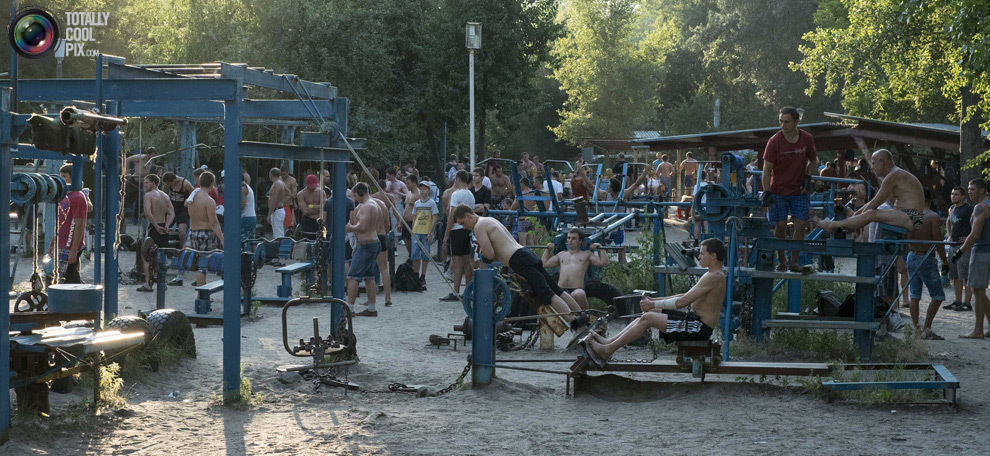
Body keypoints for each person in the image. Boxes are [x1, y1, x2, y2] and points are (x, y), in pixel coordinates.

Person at [585, 238, 726, 362]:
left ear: (713, 256)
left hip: (699, 328)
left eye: (702, 254)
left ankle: (607, 350)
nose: (699, 257)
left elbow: (682, 302)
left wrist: (652, 303)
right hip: (694, 322)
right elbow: (684, 295)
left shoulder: (714, 277)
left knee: (649, 318)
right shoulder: (711, 274)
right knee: (652, 311)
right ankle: (609, 342)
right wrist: (654, 301)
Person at [452, 204, 585, 327]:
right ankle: (583, 317)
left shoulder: (478, 227)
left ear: (468, 215)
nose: (464, 227)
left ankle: (576, 324)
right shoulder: (488, 220)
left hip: (519, 259)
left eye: (463, 223)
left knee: (547, 295)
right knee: (557, 290)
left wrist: (483, 257)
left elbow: (490, 254)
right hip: (525, 253)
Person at [762, 106, 819, 272]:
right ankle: (782, 261)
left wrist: (807, 178)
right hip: (778, 190)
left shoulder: (806, 138)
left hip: (799, 190)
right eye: (781, 121)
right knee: (780, 225)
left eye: (786, 122)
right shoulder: (774, 141)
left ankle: (794, 262)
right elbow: (766, 169)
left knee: (800, 224)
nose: (783, 125)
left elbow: (814, 160)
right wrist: (766, 192)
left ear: (796, 122)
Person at [814, 149, 925, 235]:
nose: (872, 167)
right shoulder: (895, 174)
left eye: (873, 163)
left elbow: (875, 203)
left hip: (913, 218)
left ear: (882, 161)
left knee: (871, 213)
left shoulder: (893, 175)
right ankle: (838, 224)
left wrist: (856, 219)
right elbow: (873, 202)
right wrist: (856, 216)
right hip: (908, 216)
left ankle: (832, 225)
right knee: (871, 212)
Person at [950, 178, 990, 338]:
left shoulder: (980, 207)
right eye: (968, 189)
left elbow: (974, 235)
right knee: (980, 291)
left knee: (978, 291)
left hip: (980, 252)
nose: (969, 192)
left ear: (982, 190)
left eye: (972, 189)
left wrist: (959, 253)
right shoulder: (987, 206)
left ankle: (978, 330)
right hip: (986, 251)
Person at [905, 189, 947, 339]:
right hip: (925, 256)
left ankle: (916, 329)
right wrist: (945, 261)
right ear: (930, 199)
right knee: (938, 295)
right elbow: (938, 241)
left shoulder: (912, 215)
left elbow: (906, 236)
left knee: (914, 295)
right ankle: (927, 329)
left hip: (912, 255)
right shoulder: (932, 216)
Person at [542, 229, 609, 309]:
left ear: (580, 241)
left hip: (576, 289)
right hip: (561, 290)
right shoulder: (561, 254)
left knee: (579, 294)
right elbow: (544, 264)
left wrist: (600, 247)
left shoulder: (586, 254)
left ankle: (585, 314)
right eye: (568, 238)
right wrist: (548, 249)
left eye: (573, 238)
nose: (570, 240)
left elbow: (604, 263)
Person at [47, 164, 89, 284]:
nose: (62, 179)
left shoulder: (77, 197)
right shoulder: (65, 196)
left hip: (68, 246)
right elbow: (60, 223)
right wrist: (52, 243)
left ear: (73, 178)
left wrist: (73, 250)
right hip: (62, 244)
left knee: (64, 281)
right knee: (67, 279)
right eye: (61, 176)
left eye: (64, 176)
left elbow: (79, 224)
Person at [346, 183, 381, 317]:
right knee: (368, 276)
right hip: (370, 242)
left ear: (361, 192)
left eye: (355, 195)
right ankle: (371, 308)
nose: (355, 198)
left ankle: (349, 309)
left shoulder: (368, 206)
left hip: (366, 244)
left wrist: (350, 228)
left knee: (353, 276)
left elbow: (363, 227)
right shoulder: (370, 204)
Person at [441, 170, 476, 302]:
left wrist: (446, 234)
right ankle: (467, 291)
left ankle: (455, 292)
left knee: (457, 262)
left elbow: (452, 215)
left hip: (457, 229)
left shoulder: (456, 194)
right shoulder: (470, 194)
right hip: (468, 229)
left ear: (458, 179)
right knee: (467, 262)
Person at [137, 174, 175, 292]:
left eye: (147, 182)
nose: (145, 185)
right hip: (164, 228)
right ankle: (163, 282)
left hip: (155, 228)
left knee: (146, 255)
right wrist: (167, 225)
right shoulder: (165, 196)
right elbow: (172, 213)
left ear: (153, 183)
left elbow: (148, 212)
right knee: (163, 255)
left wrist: (156, 226)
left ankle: (147, 284)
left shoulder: (148, 195)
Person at [187, 171, 224, 288]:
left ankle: (201, 291)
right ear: (212, 183)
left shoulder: (192, 197)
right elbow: (214, 223)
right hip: (205, 233)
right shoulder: (209, 201)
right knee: (202, 266)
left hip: (193, 232)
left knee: (199, 264)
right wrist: (222, 238)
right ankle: (202, 294)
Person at [161, 172, 194, 286]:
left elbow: (193, 195)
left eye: (170, 184)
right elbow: (163, 194)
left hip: (182, 211)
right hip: (171, 209)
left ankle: (182, 250)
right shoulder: (167, 185)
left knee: (182, 231)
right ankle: (163, 252)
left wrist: (188, 202)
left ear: (173, 181)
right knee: (163, 229)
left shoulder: (185, 184)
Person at [945, 186, 974, 311]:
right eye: (952, 194)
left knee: (965, 275)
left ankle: (967, 303)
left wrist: (969, 237)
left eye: (956, 194)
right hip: (952, 245)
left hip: (964, 247)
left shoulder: (969, 209)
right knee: (955, 275)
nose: (953, 196)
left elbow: (977, 224)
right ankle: (958, 301)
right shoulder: (951, 208)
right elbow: (948, 221)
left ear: (963, 196)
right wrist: (949, 234)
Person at [411, 181, 439, 287]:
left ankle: (423, 275)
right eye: (421, 189)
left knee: (425, 255)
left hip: (426, 231)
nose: (423, 191)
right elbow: (414, 217)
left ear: (428, 190)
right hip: (416, 231)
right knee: (414, 254)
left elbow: (434, 217)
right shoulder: (417, 203)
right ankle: (415, 274)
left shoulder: (432, 203)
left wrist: (430, 232)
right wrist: (413, 230)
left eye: (425, 189)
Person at [371, 181, 394, 308]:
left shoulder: (369, 204)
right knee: (384, 268)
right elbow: (387, 224)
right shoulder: (383, 204)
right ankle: (388, 296)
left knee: (369, 268)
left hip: (371, 236)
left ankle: (370, 298)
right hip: (382, 235)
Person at [296, 174, 325, 240]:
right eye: (312, 186)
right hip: (308, 221)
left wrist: (311, 206)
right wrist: (319, 209)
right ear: (307, 184)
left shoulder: (321, 192)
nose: (314, 188)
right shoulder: (301, 194)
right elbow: (306, 211)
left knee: (322, 240)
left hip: (320, 221)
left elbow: (324, 208)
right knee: (308, 240)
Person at [511, 177, 538, 246]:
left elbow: (514, 207)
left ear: (522, 184)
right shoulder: (533, 193)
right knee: (530, 241)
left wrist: (508, 214)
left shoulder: (521, 194)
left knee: (522, 242)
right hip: (532, 219)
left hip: (523, 219)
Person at [267, 167, 291, 239]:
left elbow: (274, 200)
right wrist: (282, 200)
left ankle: (280, 246)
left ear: (271, 174)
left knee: (278, 235)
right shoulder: (281, 183)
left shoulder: (276, 184)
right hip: (279, 210)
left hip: (277, 211)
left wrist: (269, 214)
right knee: (278, 232)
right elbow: (288, 194)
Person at [400, 174, 421, 256]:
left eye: (408, 183)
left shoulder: (418, 194)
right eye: (406, 183)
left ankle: (414, 257)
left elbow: (420, 210)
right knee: (406, 239)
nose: (406, 185)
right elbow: (406, 208)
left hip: (413, 222)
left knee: (413, 242)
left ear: (414, 183)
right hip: (405, 221)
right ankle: (411, 256)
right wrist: (401, 222)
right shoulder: (408, 193)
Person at [241, 174, 257, 243]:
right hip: (252, 217)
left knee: (242, 241)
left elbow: (242, 205)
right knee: (250, 241)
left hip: (246, 217)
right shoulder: (248, 187)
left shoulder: (242, 189)